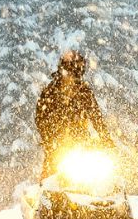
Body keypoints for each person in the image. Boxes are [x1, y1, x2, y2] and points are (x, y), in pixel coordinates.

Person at [35, 50, 114, 179]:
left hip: (80, 143)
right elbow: (40, 118)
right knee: (50, 176)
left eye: (76, 74)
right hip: (57, 146)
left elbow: (96, 116)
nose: (72, 78)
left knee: (99, 178)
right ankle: (45, 193)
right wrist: (48, 138)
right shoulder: (50, 91)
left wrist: (105, 138)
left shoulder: (84, 91)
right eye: (70, 72)